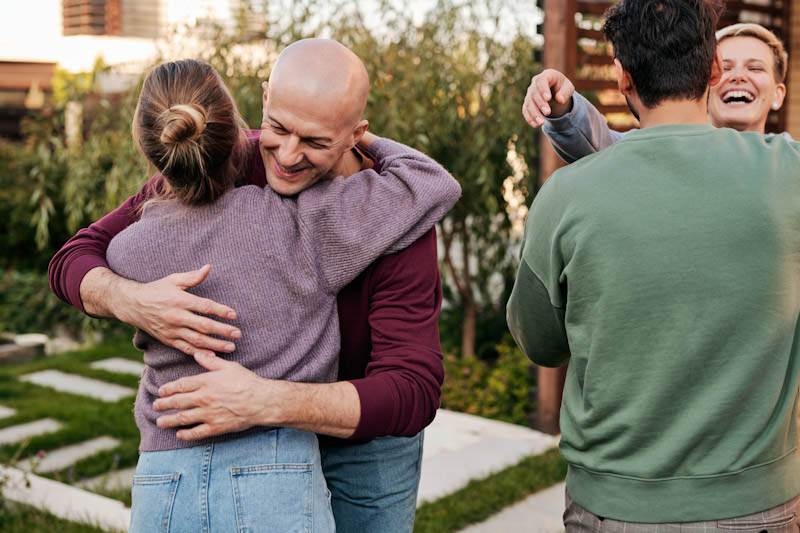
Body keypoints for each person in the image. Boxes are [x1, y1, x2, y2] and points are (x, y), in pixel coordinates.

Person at [48, 39, 447, 532]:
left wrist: (265, 400)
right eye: (278, 128)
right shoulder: (220, 158)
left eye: (317, 141)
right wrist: (134, 300)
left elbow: (413, 390)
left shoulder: (398, 212)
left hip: (365, 442)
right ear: (264, 99)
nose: (288, 156)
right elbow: (73, 258)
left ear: (356, 135)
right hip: (239, 441)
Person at [507, 0, 800, 529]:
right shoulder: (791, 176)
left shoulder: (566, 195)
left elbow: (539, 343)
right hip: (756, 505)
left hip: (613, 507)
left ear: (621, 77)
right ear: (712, 72)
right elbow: (603, 142)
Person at [522, 22, 793, 163]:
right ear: (709, 78)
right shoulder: (671, 148)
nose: (739, 76)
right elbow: (601, 143)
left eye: (755, 68)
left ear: (779, 94)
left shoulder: (790, 162)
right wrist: (562, 105)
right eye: (727, 67)